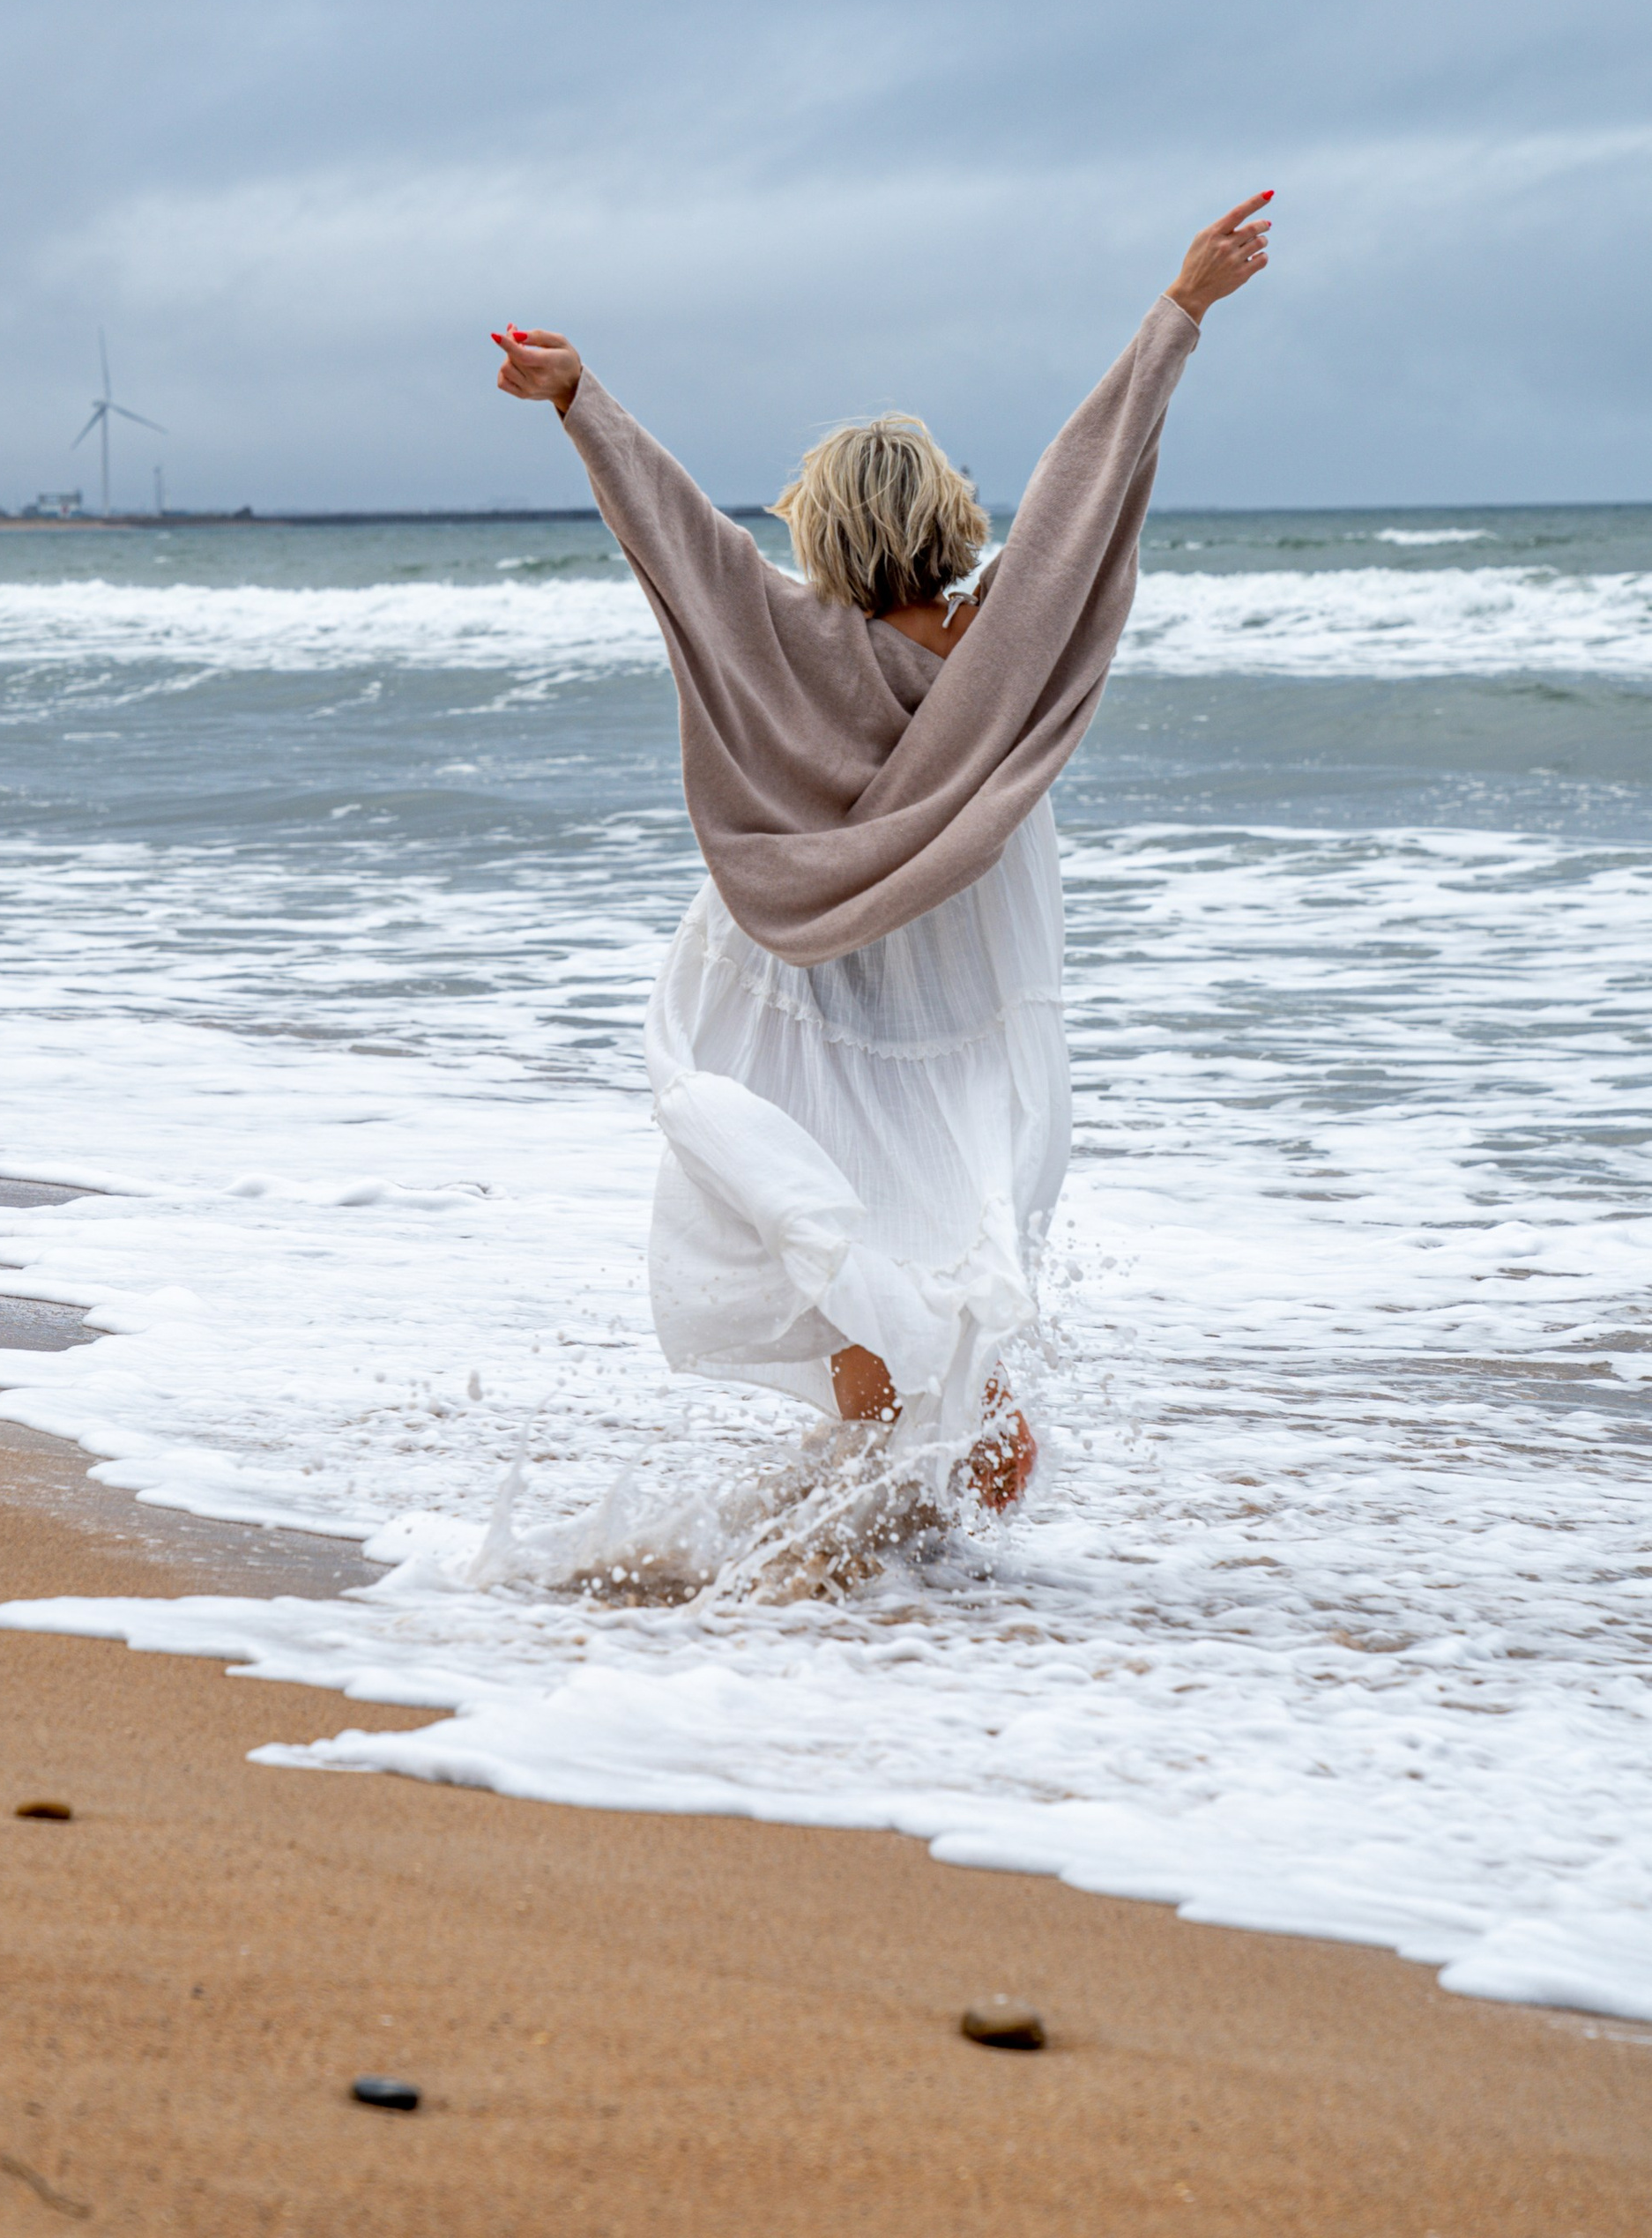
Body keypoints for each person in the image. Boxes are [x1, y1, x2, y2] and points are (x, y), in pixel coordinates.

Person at [492, 196, 1271, 1521]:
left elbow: (680, 546)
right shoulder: (1000, 654)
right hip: (941, 1035)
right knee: (943, 1349)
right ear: (950, 516)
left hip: (802, 1007)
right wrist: (1177, 313)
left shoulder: (786, 643)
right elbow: (1089, 488)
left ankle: (824, 1566)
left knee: (885, 1326)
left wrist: (583, 402)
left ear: (825, 534)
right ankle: (843, 1582)